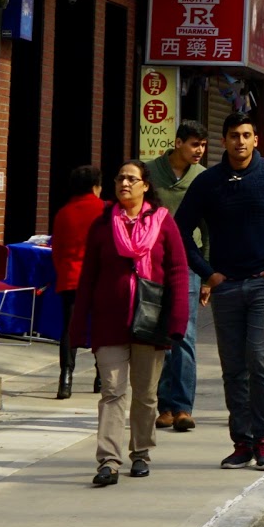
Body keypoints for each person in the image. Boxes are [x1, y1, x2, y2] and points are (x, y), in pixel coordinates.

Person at [174, 112, 264, 471]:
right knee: (233, 368)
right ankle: (241, 441)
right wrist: (207, 273)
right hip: (226, 286)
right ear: (225, 140)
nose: (240, 142)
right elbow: (179, 230)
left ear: (256, 139)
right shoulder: (208, 182)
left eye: (247, 135)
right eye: (234, 135)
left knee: (260, 361)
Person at [68, 161, 191, 485]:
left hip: (150, 323)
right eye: (120, 177)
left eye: (131, 178)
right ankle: (108, 461)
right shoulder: (102, 225)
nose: (124, 183)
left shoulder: (163, 223)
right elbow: (88, 278)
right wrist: (77, 326)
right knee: (111, 392)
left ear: (145, 185)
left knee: (146, 395)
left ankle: (140, 453)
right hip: (110, 323)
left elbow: (178, 271)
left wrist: (178, 320)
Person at [145, 121, 208, 432]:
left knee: (185, 334)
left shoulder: (203, 177)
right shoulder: (149, 172)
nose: (199, 151)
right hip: (152, 264)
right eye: (194, 144)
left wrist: (207, 272)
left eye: (203, 145)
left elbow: (209, 227)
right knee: (159, 335)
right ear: (178, 142)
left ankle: (182, 407)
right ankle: (164, 405)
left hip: (188, 263)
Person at [52, 164, 106, 400]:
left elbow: (57, 250)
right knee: (101, 326)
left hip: (71, 277)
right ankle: (101, 376)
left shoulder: (63, 212)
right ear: (96, 187)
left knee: (69, 328)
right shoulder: (105, 210)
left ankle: (65, 378)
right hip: (99, 278)